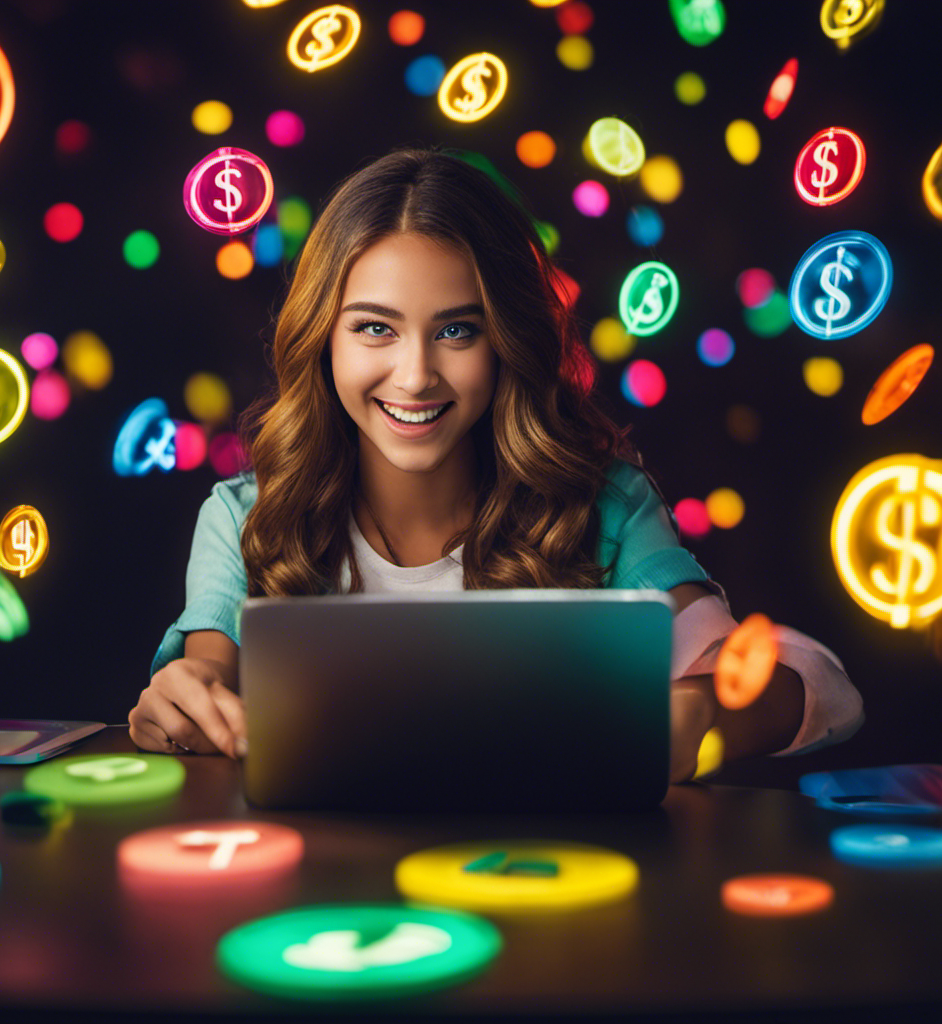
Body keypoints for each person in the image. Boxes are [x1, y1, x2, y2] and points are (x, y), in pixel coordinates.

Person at [129, 146, 864, 784]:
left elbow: (819, 687)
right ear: (323, 339)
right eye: (374, 329)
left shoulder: (601, 506)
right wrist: (186, 700)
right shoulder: (245, 518)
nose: (415, 375)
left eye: (456, 330)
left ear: (506, 339)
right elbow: (208, 677)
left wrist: (697, 715)